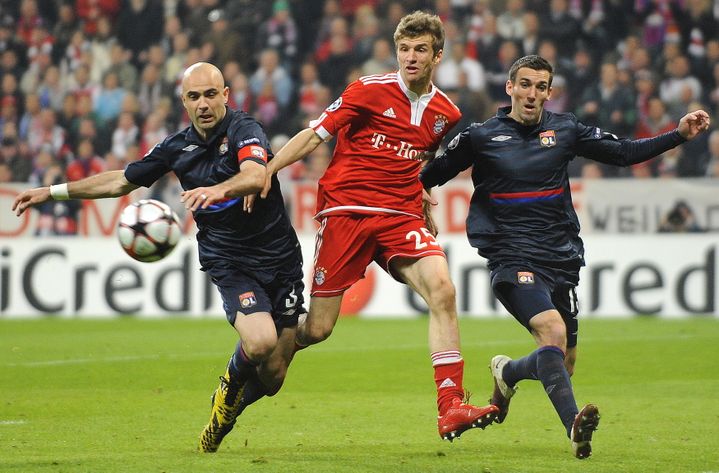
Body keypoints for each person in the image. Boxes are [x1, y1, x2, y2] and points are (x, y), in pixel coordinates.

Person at [419, 55, 710, 459]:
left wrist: (676, 135)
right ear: (509, 88)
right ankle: (574, 426)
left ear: (548, 92)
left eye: (541, 87)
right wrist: (418, 197)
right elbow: (424, 175)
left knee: (561, 363)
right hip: (511, 255)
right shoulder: (480, 136)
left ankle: (507, 372)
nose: (532, 93)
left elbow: (623, 152)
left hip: (560, 257)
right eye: (525, 84)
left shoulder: (566, 128)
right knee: (551, 333)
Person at [12, 62, 307, 454]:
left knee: (273, 377)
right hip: (230, 259)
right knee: (260, 341)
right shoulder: (175, 148)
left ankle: (227, 409)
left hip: (280, 257)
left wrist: (216, 191)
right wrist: (53, 191)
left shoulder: (244, 130)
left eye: (210, 94)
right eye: (193, 96)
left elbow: (256, 174)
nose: (203, 103)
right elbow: (120, 180)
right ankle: (228, 390)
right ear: (183, 101)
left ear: (226, 95)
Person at [253, 10, 499, 441]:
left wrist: (420, 193)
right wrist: (268, 169)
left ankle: (451, 405)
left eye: (420, 49)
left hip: (398, 216)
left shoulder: (446, 113)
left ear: (437, 55)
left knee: (442, 288)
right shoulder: (367, 91)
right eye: (404, 48)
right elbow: (314, 135)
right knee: (319, 328)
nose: (410, 57)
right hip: (347, 212)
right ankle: (281, 338)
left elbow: (414, 156)